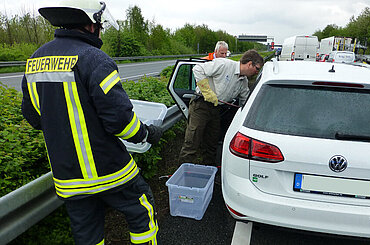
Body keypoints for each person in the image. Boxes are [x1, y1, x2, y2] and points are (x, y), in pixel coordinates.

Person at [21, 1, 162, 244]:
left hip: (68, 176)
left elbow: (34, 117)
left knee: (87, 234)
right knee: (142, 213)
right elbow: (120, 122)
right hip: (110, 171)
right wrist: (147, 134)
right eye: (99, 24)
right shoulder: (95, 59)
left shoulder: (35, 61)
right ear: (90, 23)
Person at [179, 50, 264, 165]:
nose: (256, 72)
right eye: (257, 68)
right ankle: (184, 171)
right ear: (249, 64)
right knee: (192, 140)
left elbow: (245, 100)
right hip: (201, 105)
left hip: (217, 109)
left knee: (211, 142)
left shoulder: (243, 81)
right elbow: (198, 69)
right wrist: (207, 91)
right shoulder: (224, 65)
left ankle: (208, 169)